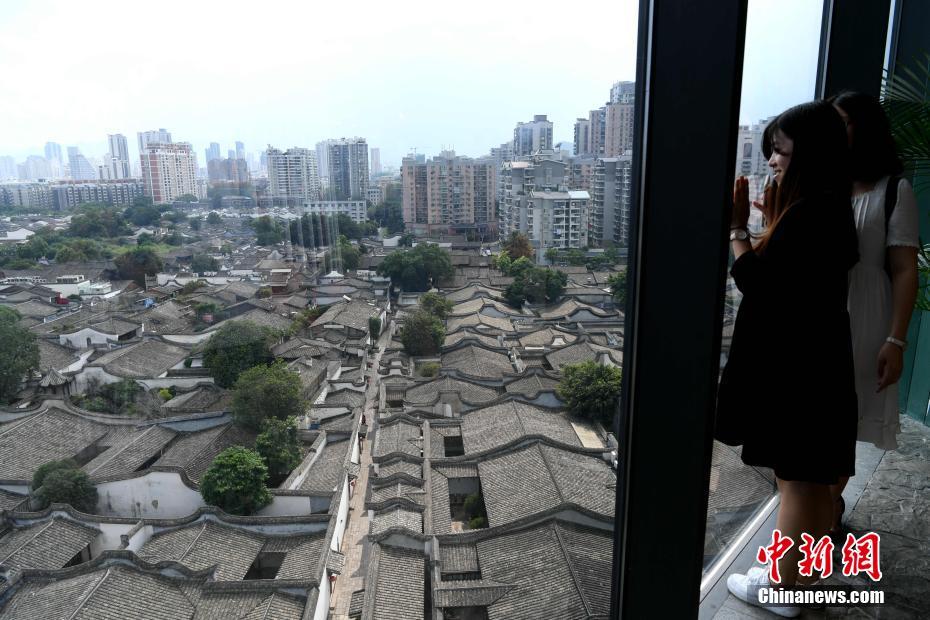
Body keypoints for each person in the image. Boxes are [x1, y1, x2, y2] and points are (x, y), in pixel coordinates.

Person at [717, 100, 860, 617]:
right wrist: (773, 224)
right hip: (821, 361)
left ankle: (783, 588)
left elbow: (759, 286)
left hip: (798, 369)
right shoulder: (830, 206)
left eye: (779, 150)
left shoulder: (810, 214)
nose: (772, 160)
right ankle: (805, 577)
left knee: (795, 479)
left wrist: (737, 231)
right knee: (815, 478)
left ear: (809, 152)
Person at [826, 91, 920, 533]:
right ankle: (818, 513)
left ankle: (825, 511)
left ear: (863, 128)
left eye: (841, 122)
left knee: (843, 422)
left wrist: (895, 340)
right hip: (818, 312)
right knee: (816, 419)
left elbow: (904, 270)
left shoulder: (893, 191)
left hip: (863, 315)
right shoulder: (822, 183)